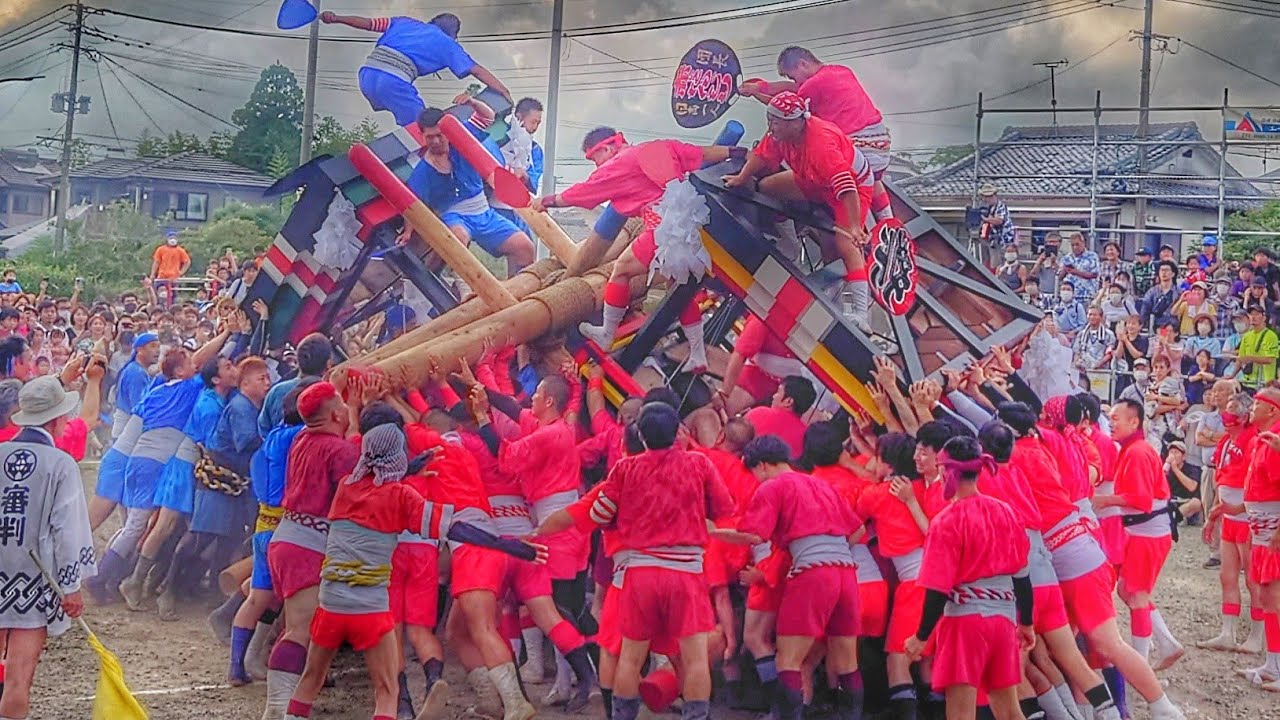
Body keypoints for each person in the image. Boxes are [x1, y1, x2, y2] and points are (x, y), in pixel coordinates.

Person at [283, 423, 543, 720]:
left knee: (310, 679)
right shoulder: (402, 497)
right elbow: (457, 529)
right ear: (398, 456)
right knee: (387, 689)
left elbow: (371, 482)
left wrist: (408, 467)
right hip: (369, 610)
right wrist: (506, 545)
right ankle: (420, 695)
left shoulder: (345, 487)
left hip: (331, 605)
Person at [543, 401, 733, 720]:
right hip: (686, 571)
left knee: (629, 657)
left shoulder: (624, 469)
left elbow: (599, 513)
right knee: (696, 658)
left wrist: (536, 531)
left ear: (640, 436)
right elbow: (724, 508)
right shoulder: (699, 464)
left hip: (638, 572)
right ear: (677, 432)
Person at [534, 128, 733, 370]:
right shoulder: (658, 146)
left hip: (663, 230)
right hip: (693, 226)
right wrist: (738, 152)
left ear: (606, 148)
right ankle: (698, 353)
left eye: (595, 159)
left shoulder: (618, 163)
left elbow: (583, 192)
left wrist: (547, 201)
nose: (597, 167)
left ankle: (607, 333)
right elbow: (701, 153)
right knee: (676, 289)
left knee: (621, 270)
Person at [718, 434, 864, 720]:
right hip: (846, 572)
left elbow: (754, 534)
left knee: (789, 661)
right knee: (847, 661)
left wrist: (711, 532)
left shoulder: (773, 486)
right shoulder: (821, 484)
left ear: (761, 466)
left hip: (811, 572)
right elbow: (857, 531)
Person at [723, 91, 878, 331]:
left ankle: (860, 313)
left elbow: (846, 186)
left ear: (795, 123)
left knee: (847, 243)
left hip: (852, 187)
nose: (770, 126)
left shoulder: (821, 144)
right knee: (766, 187)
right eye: (769, 119)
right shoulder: (778, 136)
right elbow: (762, 156)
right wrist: (741, 177)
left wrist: (856, 226)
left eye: (775, 121)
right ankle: (787, 238)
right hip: (813, 180)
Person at [905, 436, 1033, 720]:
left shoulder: (946, 521)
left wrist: (920, 637)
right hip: (1003, 620)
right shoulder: (1006, 512)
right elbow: (1023, 578)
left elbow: (937, 589)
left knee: (961, 715)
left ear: (946, 471)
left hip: (964, 623)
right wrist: (1027, 623)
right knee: (1010, 712)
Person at [0, 377, 97, 720]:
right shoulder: (60, 464)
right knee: (17, 681)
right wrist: (71, 587)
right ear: (56, 420)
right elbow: (66, 530)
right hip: (31, 583)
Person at [263, 382, 360, 719]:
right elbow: (354, 490)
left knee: (300, 628)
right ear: (335, 413)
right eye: (344, 404)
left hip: (288, 537)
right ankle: (278, 710)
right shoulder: (338, 449)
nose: (348, 408)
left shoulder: (303, 438)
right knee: (300, 630)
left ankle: (288, 705)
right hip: (309, 543)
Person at [740, 46, 895, 224]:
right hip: (879, 147)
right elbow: (792, 90)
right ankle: (887, 219)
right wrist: (761, 87)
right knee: (873, 178)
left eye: (792, 75)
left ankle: (854, 224)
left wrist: (757, 92)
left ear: (802, 64)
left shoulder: (812, 87)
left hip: (857, 150)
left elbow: (784, 108)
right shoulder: (840, 71)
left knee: (781, 177)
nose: (794, 81)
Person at [1095, 399, 1183, 671]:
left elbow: (1141, 500)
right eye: (1109, 417)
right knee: (1128, 590)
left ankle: (1140, 663)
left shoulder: (1137, 452)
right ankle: (1166, 644)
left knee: (1136, 595)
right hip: (1143, 531)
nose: (1111, 422)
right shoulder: (1134, 448)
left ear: (1135, 421)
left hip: (1149, 533)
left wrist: (1104, 501)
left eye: (1116, 418)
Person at [407, 104, 536, 277]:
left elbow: (487, 117)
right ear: (422, 136)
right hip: (454, 217)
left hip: (483, 212)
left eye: (439, 135)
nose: (436, 141)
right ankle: (430, 277)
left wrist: (472, 101)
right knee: (457, 239)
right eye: (430, 137)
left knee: (524, 247)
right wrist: (408, 231)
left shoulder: (463, 140)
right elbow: (412, 204)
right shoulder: (423, 170)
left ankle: (518, 292)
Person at [321, 11, 511, 126]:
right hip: (392, 82)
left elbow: (369, 24)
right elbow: (476, 70)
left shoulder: (404, 22)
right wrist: (503, 90)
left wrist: (336, 18)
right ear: (453, 35)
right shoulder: (447, 44)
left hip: (366, 75)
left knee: (413, 121)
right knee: (424, 126)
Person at [1201, 390, 1262, 652]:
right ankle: (1228, 631)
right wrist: (1213, 514)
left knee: (1253, 579)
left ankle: (1257, 636)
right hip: (1229, 515)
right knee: (1227, 576)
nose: (1228, 413)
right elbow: (1221, 480)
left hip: (1247, 516)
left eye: (1233, 409)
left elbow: (1258, 482)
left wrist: (1239, 507)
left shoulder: (1253, 439)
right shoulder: (1226, 441)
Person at [743, 375, 816, 459]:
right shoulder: (806, 438)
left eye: (778, 392)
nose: (774, 396)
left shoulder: (759, 413)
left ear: (788, 401)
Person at [1237, 305, 1279, 389]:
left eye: (1256, 314)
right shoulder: (1246, 336)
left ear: (1264, 317)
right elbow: (1240, 359)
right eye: (1251, 314)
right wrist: (1231, 375)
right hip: (1247, 382)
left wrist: (1251, 358)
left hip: (1265, 383)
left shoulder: (1271, 336)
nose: (1253, 317)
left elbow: (1270, 359)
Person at [150, 232, 191, 308]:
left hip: (174, 278)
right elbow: (156, 262)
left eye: (174, 238)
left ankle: (172, 309)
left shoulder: (180, 250)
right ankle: (158, 308)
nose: (172, 240)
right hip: (161, 277)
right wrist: (152, 274)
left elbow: (187, 262)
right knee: (159, 295)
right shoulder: (161, 249)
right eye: (170, 238)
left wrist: (181, 272)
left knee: (173, 296)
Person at [1060, 232, 1101, 302]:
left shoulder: (1092, 256)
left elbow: (1094, 274)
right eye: (1072, 245)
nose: (1075, 247)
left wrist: (1076, 272)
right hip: (1069, 297)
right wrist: (1064, 270)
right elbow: (1060, 277)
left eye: (1077, 244)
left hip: (1087, 296)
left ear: (1083, 243)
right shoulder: (1066, 258)